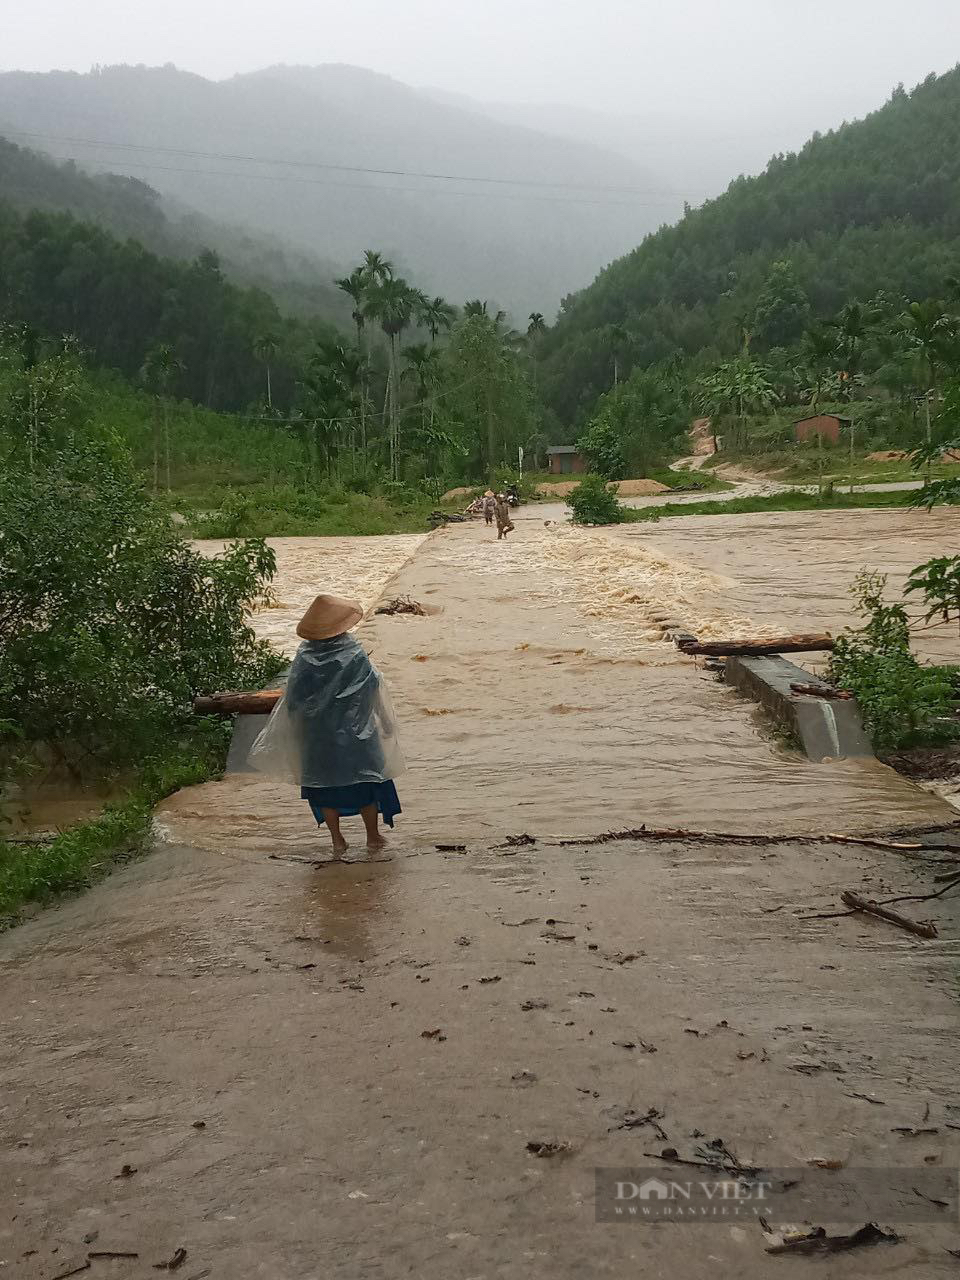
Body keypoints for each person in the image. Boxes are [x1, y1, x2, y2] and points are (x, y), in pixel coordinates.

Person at [249, 594, 404, 857]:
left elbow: (294, 700)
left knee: (324, 787)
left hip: (317, 736)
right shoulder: (353, 653)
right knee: (366, 783)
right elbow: (372, 688)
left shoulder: (304, 657)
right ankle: (372, 836)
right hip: (357, 733)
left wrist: (300, 732)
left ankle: (337, 840)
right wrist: (386, 723)